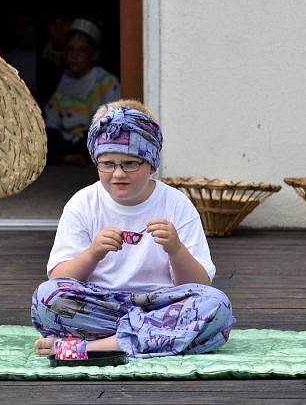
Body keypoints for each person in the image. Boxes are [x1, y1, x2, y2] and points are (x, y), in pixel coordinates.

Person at [31, 100, 235, 358]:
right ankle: (152, 339)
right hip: (101, 308)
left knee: (217, 305)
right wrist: (93, 253)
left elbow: (200, 284)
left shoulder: (176, 204)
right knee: (46, 298)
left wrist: (176, 249)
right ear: (96, 162)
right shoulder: (82, 203)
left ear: (151, 164)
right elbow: (59, 279)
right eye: (108, 164)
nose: (118, 174)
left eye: (130, 164)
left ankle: (96, 348)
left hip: (162, 305)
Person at [43, 18, 119, 165]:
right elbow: (51, 120)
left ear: (94, 54)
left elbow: (112, 120)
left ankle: (72, 157)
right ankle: (68, 157)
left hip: (90, 137)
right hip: (65, 139)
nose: (74, 56)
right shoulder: (61, 79)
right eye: (70, 50)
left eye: (82, 51)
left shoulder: (106, 81)